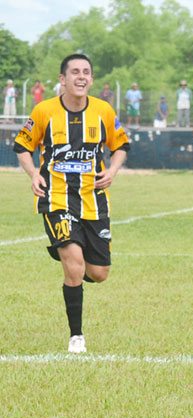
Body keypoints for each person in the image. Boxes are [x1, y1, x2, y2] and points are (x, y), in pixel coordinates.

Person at [13, 53, 130, 354]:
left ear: (91, 79)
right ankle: (76, 336)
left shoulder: (103, 110)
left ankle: (66, 252)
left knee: (99, 273)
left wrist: (113, 170)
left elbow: (121, 146)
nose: (81, 77)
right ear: (62, 79)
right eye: (75, 72)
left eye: (86, 72)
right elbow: (22, 146)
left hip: (94, 200)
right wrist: (33, 174)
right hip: (56, 198)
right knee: (75, 265)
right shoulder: (44, 111)